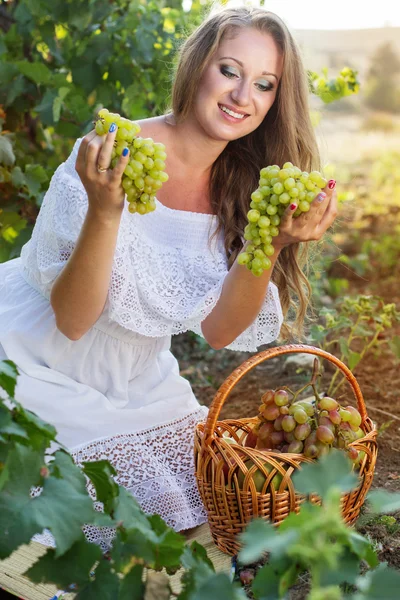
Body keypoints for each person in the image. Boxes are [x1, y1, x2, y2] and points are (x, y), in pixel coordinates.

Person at [0, 5, 337, 549]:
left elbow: (220, 332)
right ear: (196, 66)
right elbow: (72, 320)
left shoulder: (245, 185)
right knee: (77, 526)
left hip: (137, 377)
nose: (241, 96)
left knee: (195, 509)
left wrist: (267, 244)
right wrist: (105, 212)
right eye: (230, 70)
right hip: (35, 359)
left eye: (265, 84)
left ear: (276, 100)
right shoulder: (118, 154)